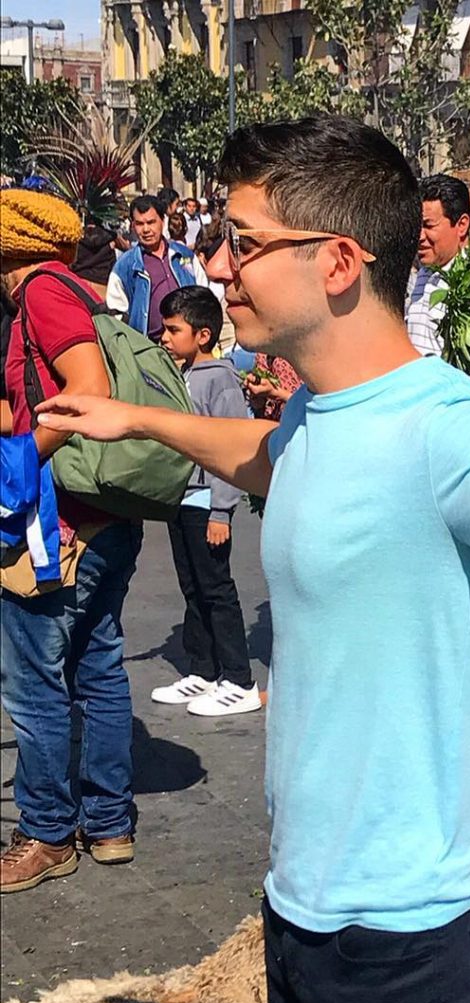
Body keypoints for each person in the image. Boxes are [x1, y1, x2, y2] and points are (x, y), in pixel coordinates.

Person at [34, 114, 470, 1003]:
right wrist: (139, 420)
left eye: (243, 243)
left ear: (337, 262)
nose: (218, 269)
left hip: (421, 939)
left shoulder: (452, 425)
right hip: (302, 907)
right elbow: (269, 457)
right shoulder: (317, 413)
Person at [0, 188, 143, 894]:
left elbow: (87, 388)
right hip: (106, 515)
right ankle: (109, 824)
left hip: (62, 524)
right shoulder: (80, 291)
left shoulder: (42, 294)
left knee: (34, 683)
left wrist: (20, 463)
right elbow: (36, 397)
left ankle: (48, 833)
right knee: (98, 665)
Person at [148, 286, 258, 716]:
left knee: (216, 590)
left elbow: (231, 447)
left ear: (204, 335)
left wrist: (221, 511)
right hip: (182, 498)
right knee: (192, 588)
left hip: (206, 502)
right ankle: (203, 670)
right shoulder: (184, 374)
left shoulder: (219, 378)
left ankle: (239, 679)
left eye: (174, 330)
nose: (165, 336)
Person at [106, 195, 209, 342]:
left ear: (163, 221)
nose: (146, 229)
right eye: (139, 224)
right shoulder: (125, 266)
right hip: (150, 346)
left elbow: (204, 293)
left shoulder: (184, 255)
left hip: (190, 342)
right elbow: (116, 312)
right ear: (133, 226)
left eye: (151, 222)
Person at [405, 173, 470, 357]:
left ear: (461, 225)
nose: (419, 236)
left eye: (428, 226)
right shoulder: (424, 272)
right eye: (417, 226)